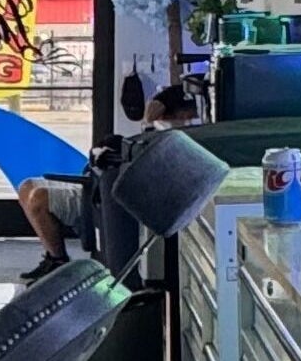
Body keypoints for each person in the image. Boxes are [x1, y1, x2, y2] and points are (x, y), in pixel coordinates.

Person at [16, 84, 197, 279]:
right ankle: (55, 258)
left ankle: (58, 260)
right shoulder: (154, 135)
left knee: (37, 199)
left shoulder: (177, 144)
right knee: (26, 186)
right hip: (96, 187)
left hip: (102, 197)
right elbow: (155, 106)